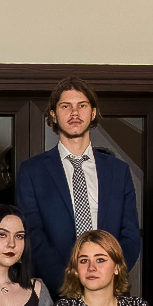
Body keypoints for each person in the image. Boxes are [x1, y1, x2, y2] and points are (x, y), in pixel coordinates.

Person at [17, 77, 142, 286]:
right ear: (53, 114)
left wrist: (108, 277)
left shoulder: (118, 171)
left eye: (82, 105)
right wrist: (67, 283)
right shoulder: (32, 171)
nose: (74, 113)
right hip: (55, 289)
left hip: (110, 290)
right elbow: (33, 235)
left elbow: (130, 235)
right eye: (66, 106)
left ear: (93, 113)